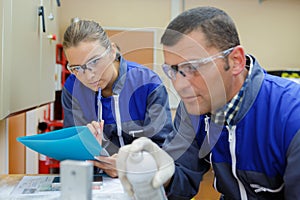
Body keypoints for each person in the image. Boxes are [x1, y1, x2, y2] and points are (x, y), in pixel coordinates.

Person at [116, 6, 300, 200]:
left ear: (235, 61)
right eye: (173, 70)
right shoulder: (193, 108)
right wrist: (157, 174)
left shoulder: (291, 114)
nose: (179, 85)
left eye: (193, 67)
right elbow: (183, 182)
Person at [61, 20, 173, 177]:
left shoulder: (148, 83)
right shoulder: (72, 89)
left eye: (94, 61)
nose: (89, 75)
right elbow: (73, 151)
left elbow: (163, 148)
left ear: (112, 51)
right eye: (77, 68)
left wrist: (130, 166)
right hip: (95, 182)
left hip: (143, 179)